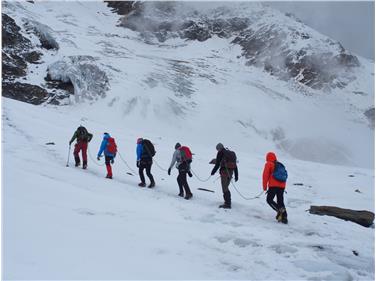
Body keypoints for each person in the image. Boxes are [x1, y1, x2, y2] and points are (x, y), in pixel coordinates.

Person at [262, 151, 288, 224]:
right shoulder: (280, 164)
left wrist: (264, 187)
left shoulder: (268, 164)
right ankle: (284, 217)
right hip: (282, 186)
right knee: (280, 201)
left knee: (269, 200)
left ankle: (280, 210)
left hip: (273, 185)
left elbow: (265, 176)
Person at [211, 143, 238, 209]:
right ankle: (228, 202)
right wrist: (236, 175)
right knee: (226, 187)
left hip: (224, 172)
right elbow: (235, 165)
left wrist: (213, 172)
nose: (217, 150)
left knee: (224, 188)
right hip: (231, 172)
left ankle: (227, 204)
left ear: (219, 148)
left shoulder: (220, 153)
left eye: (217, 149)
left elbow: (217, 164)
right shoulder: (230, 153)